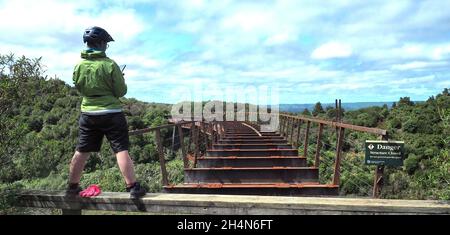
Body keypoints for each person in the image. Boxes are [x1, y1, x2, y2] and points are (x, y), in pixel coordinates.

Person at [66, 26, 146, 199]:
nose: (106, 47)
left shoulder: (79, 65)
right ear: (101, 43)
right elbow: (120, 91)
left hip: (88, 113)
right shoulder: (110, 64)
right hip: (111, 113)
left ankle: (72, 186)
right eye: (106, 44)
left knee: (81, 150)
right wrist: (119, 80)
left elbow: (78, 86)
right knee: (120, 149)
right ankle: (133, 187)